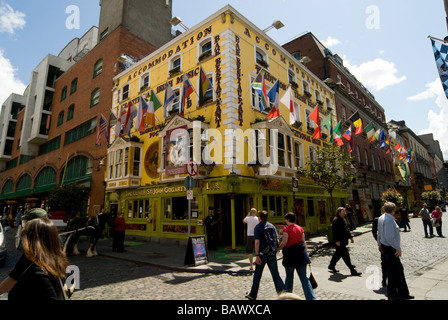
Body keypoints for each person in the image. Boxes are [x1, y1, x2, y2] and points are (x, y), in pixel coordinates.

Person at [1, 216, 69, 300]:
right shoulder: (55, 261)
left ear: (31, 240)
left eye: (23, 234)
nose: (21, 239)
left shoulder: (38, 273)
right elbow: (13, 277)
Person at [377, 202, 413, 300]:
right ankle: (401, 293)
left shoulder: (381, 217)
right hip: (390, 248)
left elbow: (379, 233)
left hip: (385, 247)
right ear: (393, 210)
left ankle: (395, 292)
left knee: (393, 271)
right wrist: (398, 248)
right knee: (397, 271)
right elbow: (389, 237)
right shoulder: (388, 220)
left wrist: (379, 244)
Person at [245, 210, 285, 300]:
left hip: (262, 254)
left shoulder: (258, 227)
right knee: (275, 274)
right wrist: (276, 249)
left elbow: (257, 242)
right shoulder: (272, 226)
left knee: (257, 275)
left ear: (259, 218)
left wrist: (257, 255)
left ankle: (253, 294)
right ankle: (283, 294)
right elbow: (277, 239)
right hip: (271, 253)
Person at [278, 212, 316, 300]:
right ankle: (311, 298)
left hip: (290, 256)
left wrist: (278, 248)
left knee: (289, 278)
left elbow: (284, 241)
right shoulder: (300, 228)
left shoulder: (286, 229)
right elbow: (303, 241)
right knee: (304, 278)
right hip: (301, 255)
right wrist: (306, 253)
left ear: (287, 220)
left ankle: (287, 297)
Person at [328, 207, 362, 276]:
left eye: (345, 212)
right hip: (340, 241)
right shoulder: (336, 220)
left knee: (338, 254)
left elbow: (346, 229)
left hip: (343, 240)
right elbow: (335, 231)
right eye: (343, 212)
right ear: (339, 212)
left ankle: (331, 265)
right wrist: (337, 240)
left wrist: (350, 237)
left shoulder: (343, 219)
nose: (344, 213)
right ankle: (352, 270)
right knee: (346, 255)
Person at [372, 206, 388, 287]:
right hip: (383, 245)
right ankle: (384, 279)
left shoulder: (392, 219)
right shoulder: (377, 220)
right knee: (384, 263)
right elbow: (374, 232)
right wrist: (379, 242)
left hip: (391, 246)